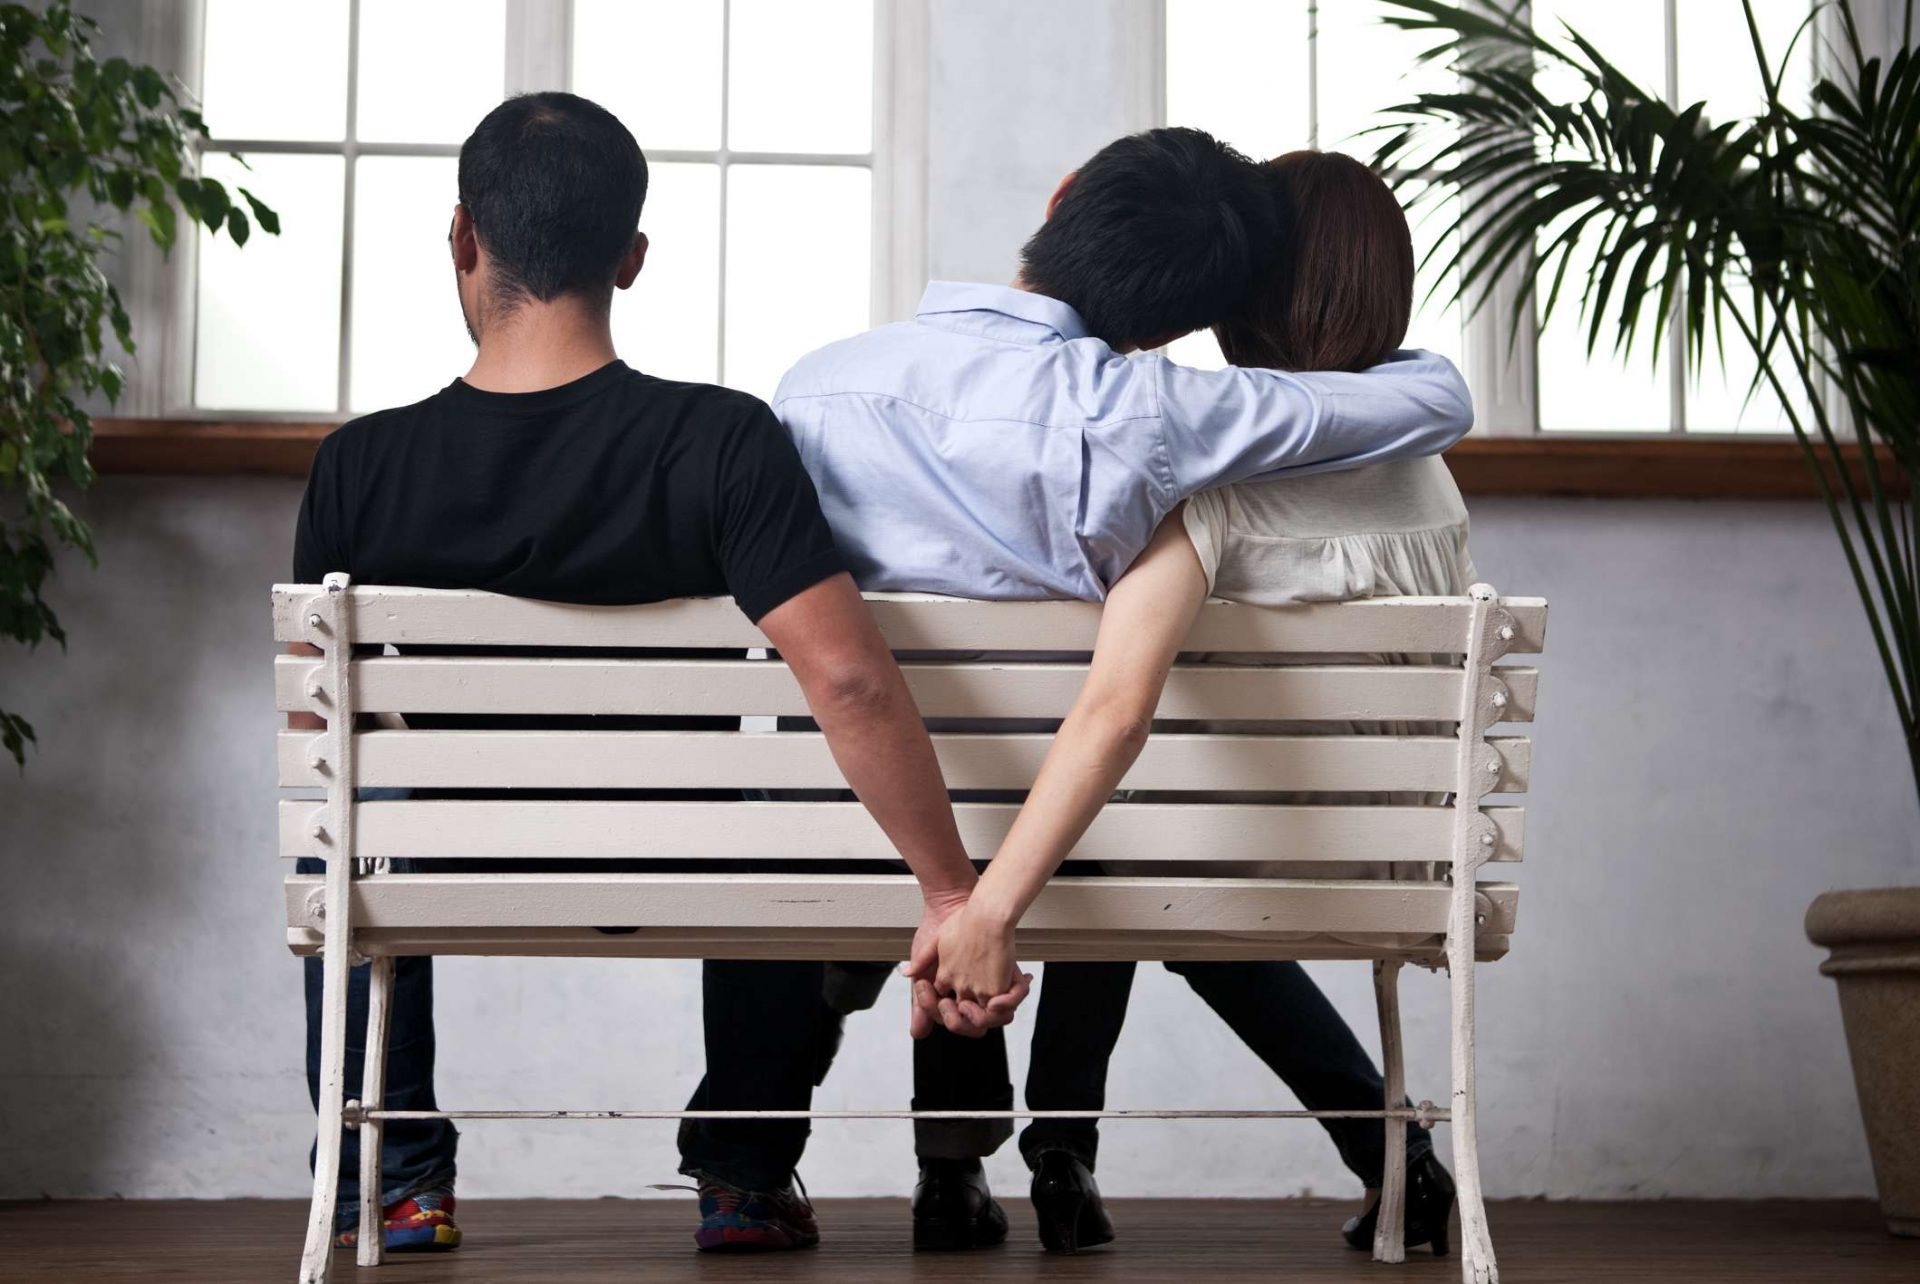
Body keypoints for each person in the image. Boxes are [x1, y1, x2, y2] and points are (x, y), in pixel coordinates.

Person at [288, 92, 1021, 1259]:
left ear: (464, 238)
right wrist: (949, 892)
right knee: (786, 820)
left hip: (456, 854)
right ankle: (742, 1176)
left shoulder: (357, 466)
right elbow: (848, 681)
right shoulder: (723, 441)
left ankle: (390, 1184)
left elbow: (322, 729)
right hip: (681, 846)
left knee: (346, 832)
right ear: (631, 257)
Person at [769, 129, 1474, 1250]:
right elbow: (1437, 394)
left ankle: (938, 1166)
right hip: (1377, 848)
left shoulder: (818, 384)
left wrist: (969, 902)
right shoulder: (1226, 437)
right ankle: (1110, 1148)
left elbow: (1107, 713)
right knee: (1108, 835)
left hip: (881, 814)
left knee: (1042, 824)